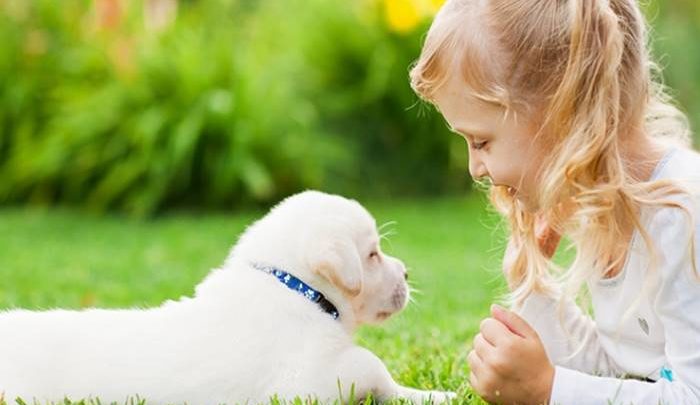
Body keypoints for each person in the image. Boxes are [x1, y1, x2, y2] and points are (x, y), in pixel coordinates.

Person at [409, 0, 700, 404]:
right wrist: (533, 288)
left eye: (481, 142)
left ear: (563, 115)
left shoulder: (682, 215)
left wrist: (547, 390)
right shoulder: (612, 211)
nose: (475, 168)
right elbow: (626, 367)